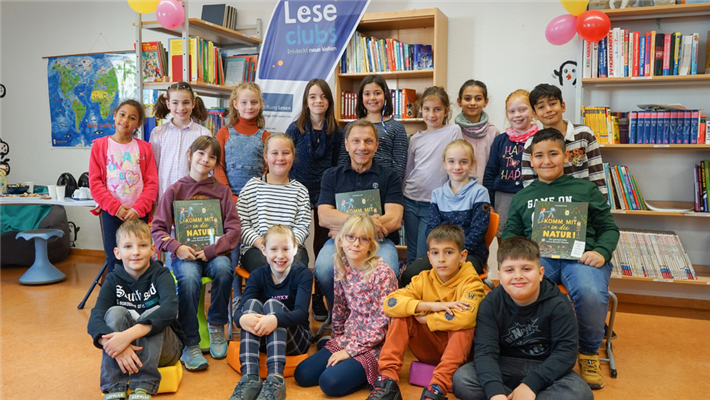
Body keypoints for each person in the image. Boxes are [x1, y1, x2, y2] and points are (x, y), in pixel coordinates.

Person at [502, 128, 619, 389]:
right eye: (539, 155)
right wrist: (514, 259)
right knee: (521, 287)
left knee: (589, 292)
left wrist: (601, 251)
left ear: (566, 156)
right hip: (541, 258)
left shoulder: (585, 189)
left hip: (582, 259)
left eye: (553, 154)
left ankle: (588, 352)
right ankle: (527, 345)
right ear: (530, 160)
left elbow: (609, 228)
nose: (546, 161)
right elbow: (511, 234)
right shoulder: (523, 196)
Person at [452, 236, 593, 400]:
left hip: (543, 366)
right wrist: (496, 394)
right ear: (500, 276)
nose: (518, 276)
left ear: (540, 273)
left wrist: (531, 385)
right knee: (463, 379)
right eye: (509, 270)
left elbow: (565, 353)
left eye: (526, 269)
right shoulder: (490, 303)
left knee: (580, 394)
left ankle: (522, 394)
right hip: (503, 363)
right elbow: (486, 352)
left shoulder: (559, 304)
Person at [151, 136, 241, 371]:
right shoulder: (175, 190)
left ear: (216, 163)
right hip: (184, 256)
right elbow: (157, 230)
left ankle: (216, 325)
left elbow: (234, 231)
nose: (206, 159)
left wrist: (212, 250)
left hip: (215, 254)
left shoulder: (222, 191)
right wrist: (176, 247)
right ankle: (189, 342)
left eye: (212, 156)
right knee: (189, 279)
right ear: (190, 154)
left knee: (224, 269)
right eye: (201, 153)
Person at [367, 223, 485, 400]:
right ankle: (387, 382)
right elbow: (390, 303)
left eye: (449, 252)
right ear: (429, 257)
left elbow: (467, 317)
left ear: (462, 256)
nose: (441, 259)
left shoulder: (472, 283)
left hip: (458, 353)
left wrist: (426, 319)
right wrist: (430, 306)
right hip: (428, 347)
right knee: (401, 314)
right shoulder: (423, 279)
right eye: (436, 253)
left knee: (463, 327)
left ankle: (436, 389)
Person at [294, 214, 398, 397]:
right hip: (350, 337)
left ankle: (362, 372)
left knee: (329, 383)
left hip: (375, 345)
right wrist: (337, 341)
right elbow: (340, 308)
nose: (356, 244)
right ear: (341, 240)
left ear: (371, 245)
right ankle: (345, 365)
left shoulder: (382, 274)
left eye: (363, 239)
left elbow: (382, 325)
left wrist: (349, 352)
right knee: (302, 374)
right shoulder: (341, 264)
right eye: (351, 237)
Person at [88, 219, 185, 400]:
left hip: (166, 350)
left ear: (152, 249)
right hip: (125, 347)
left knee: (152, 313)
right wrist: (115, 346)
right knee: (114, 312)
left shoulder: (161, 274)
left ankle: (143, 386)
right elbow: (96, 318)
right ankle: (114, 386)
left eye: (142, 245)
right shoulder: (113, 279)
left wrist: (127, 336)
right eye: (128, 246)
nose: (136, 252)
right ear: (117, 252)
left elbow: (170, 309)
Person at [314, 119, 404, 310]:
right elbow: (324, 216)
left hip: (380, 242)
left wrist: (345, 226)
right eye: (355, 141)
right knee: (323, 268)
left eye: (368, 141)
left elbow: (395, 219)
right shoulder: (332, 175)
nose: (362, 147)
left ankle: (374, 320)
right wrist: (365, 223)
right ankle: (341, 313)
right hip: (340, 241)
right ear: (346, 144)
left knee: (388, 268)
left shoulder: (390, 176)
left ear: (376, 145)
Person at [229, 225, 313, 400]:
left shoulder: (303, 274)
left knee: (273, 305)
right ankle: (250, 378)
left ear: (295, 249)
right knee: (250, 305)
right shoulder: (257, 275)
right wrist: (241, 319)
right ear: (264, 250)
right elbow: (240, 310)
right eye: (273, 249)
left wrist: (274, 319)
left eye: (286, 249)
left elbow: (301, 314)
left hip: (296, 339)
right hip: (264, 336)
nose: (280, 255)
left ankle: (276, 380)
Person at [284, 79, 343, 321]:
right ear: (306, 101)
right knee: (293, 243)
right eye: (312, 97)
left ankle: (318, 295)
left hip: (325, 196)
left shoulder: (337, 132)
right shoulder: (295, 129)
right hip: (297, 191)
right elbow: (286, 160)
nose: (318, 101)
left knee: (321, 247)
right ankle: (288, 291)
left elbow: (339, 164)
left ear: (329, 101)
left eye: (323, 97)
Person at [401, 140, 489, 287]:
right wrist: (442, 252)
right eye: (451, 161)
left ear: (472, 164)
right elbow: (432, 230)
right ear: (444, 163)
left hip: (469, 253)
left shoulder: (480, 192)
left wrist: (454, 253)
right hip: (440, 252)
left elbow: (478, 232)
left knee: (459, 278)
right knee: (409, 275)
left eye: (463, 162)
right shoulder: (438, 194)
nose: (457, 167)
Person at [89, 99, 158, 274]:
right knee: (115, 260)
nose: (125, 120)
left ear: (138, 124)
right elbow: (95, 183)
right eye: (122, 114)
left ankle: (139, 299)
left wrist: (138, 209)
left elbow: (151, 183)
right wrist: (116, 208)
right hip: (112, 213)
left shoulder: (144, 148)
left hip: (138, 213)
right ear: (114, 116)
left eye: (132, 117)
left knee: (140, 259)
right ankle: (117, 299)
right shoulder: (100, 146)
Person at [402, 86, 463, 266]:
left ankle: (422, 291)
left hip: (433, 202)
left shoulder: (453, 131)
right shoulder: (415, 138)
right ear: (421, 109)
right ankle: (411, 292)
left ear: (446, 111)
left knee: (424, 254)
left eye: (437, 109)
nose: (432, 114)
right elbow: (409, 169)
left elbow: (458, 162)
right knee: (411, 252)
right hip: (410, 199)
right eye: (427, 109)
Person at [237, 133, 311, 273]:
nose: (280, 158)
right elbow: (241, 226)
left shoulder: (300, 191)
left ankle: (289, 296)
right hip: (257, 248)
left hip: (291, 247)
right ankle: (268, 296)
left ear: (293, 156)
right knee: (267, 270)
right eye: (274, 153)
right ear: (265, 157)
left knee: (296, 269)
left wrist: (286, 247)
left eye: (286, 153)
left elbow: (302, 227)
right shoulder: (252, 187)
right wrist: (264, 245)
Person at [521, 83, 607, 199]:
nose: (548, 110)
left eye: (553, 104)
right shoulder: (531, 144)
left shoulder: (584, 134)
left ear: (563, 106)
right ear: (534, 114)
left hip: (582, 204)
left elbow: (597, 175)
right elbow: (529, 184)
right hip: (548, 208)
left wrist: (601, 206)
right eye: (541, 107)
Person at [483, 89, 538, 239]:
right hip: (504, 200)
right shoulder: (500, 140)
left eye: (523, 109)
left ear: (533, 112)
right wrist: (490, 202)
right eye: (512, 111)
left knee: (531, 241)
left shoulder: (541, 139)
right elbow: (490, 172)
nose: (517, 115)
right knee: (506, 242)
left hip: (533, 198)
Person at [337, 75, 408, 180]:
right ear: (361, 98)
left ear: (386, 96)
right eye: (367, 94)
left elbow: (399, 166)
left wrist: (388, 185)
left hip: (384, 183)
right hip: (353, 183)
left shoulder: (397, 128)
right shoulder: (350, 127)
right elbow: (343, 161)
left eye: (377, 93)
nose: (372, 98)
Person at [149, 81, 210, 201]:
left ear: (193, 103)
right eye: (175, 103)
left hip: (193, 199)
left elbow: (208, 170)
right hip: (164, 198)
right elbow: (153, 169)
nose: (181, 108)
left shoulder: (203, 133)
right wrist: (155, 203)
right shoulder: (158, 133)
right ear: (168, 104)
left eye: (186, 102)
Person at [215, 82, 271, 204]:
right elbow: (218, 166)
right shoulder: (223, 133)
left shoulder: (266, 137)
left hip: (257, 200)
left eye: (254, 102)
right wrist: (230, 197)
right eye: (244, 102)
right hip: (228, 200)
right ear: (235, 104)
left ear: (260, 104)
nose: (249, 107)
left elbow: (268, 171)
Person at [455, 80, 500, 182]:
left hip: (486, 190)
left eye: (478, 99)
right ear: (459, 101)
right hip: (459, 190)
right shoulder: (454, 131)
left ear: (486, 102)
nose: (472, 103)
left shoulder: (493, 133)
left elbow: (495, 166)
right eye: (467, 98)